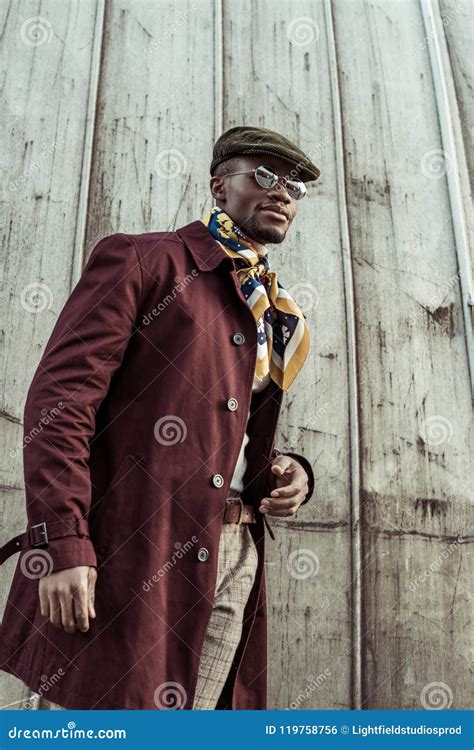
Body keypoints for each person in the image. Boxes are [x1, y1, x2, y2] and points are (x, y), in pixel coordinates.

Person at [0, 125, 320, 710]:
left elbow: (232, 425)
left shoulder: (273, 309)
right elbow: (60, 404)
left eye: (295, 186)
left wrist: (289, 467)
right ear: (219, 187)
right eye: (265, 176)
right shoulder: (144, 259)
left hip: (236, 554)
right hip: (132, 551)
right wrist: (63, 541)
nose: (283, 193)